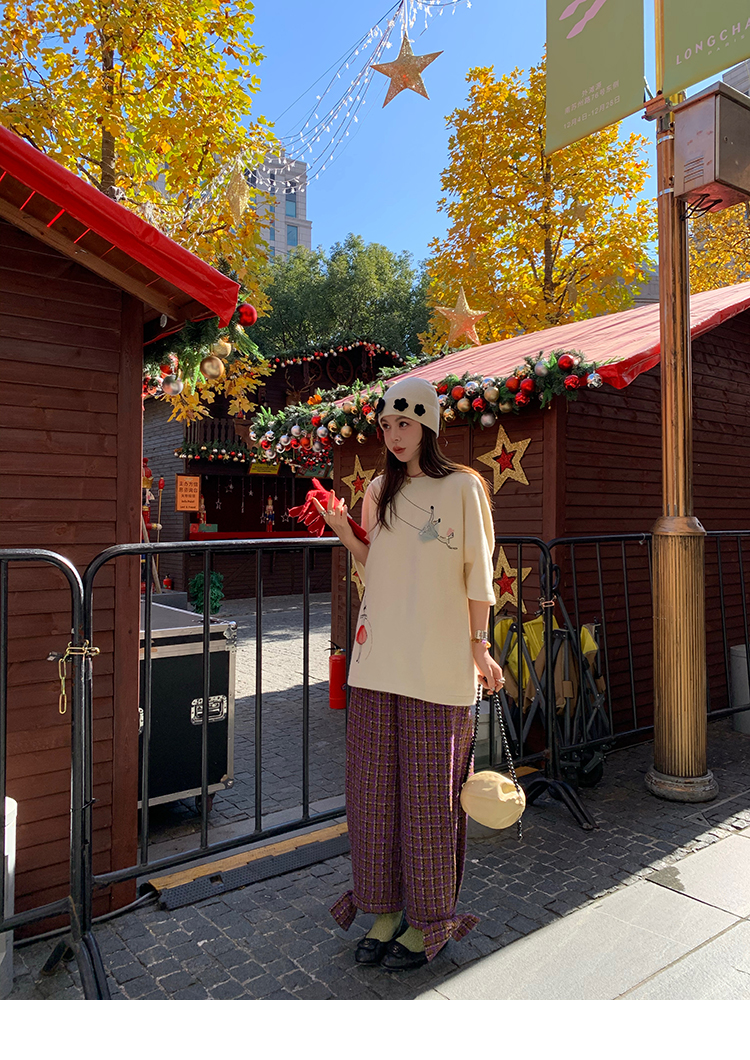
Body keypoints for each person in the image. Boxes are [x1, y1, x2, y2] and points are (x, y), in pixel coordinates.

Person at [313, 376, 503, 971]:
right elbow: (378, 566)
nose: (395, 435)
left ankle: (429, 919)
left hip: (439, 663)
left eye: (406, 423)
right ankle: (383, 909)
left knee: (429, 801)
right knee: (372, 797)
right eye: (388, 425)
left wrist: (480, 646)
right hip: (377, 660)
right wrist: (343, 531)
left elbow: (478, 572)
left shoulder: (464, 487)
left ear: (429, 426)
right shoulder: (378, 489)